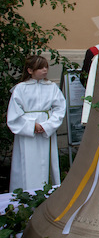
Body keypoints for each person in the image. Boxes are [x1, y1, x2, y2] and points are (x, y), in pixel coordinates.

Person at [7, 55, 66, 191]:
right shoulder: (20, 89)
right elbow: (14, 113)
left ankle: (47, 193)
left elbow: (60, 108)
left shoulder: (51, 87)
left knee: (46, 162)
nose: (45, 70)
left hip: (46, 132)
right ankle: (25, 195)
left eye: (46, 67)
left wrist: (47, 125)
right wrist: (31, 125)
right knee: (27, 163)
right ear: (29, 70)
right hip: (27, 134)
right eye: (40, 68)